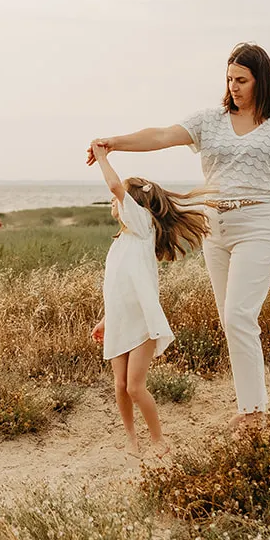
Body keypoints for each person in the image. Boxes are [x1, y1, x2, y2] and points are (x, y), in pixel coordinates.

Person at [87, 42, 270, 431]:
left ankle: (253, 411)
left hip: (259, 222)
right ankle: (253, 402)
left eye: (242, 80)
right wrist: (115, 142)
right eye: (230, 79)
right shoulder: (209, 120)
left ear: (261, 80)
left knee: (239, 314)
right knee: (230, 319)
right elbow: (162, 135)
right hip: (217, 227)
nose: (234, 86)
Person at [87, 142, 213, 458]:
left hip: (142, 322)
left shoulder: (142, 226)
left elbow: (115, 185)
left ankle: (158, 440)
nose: (115, 202)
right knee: (119, 385)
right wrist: (105, 318)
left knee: (134, 386)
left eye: (122, 199)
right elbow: (117, 286)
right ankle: (132, 439)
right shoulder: (121, 241)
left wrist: (102, 157)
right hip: (119, 320)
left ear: (136, 203)